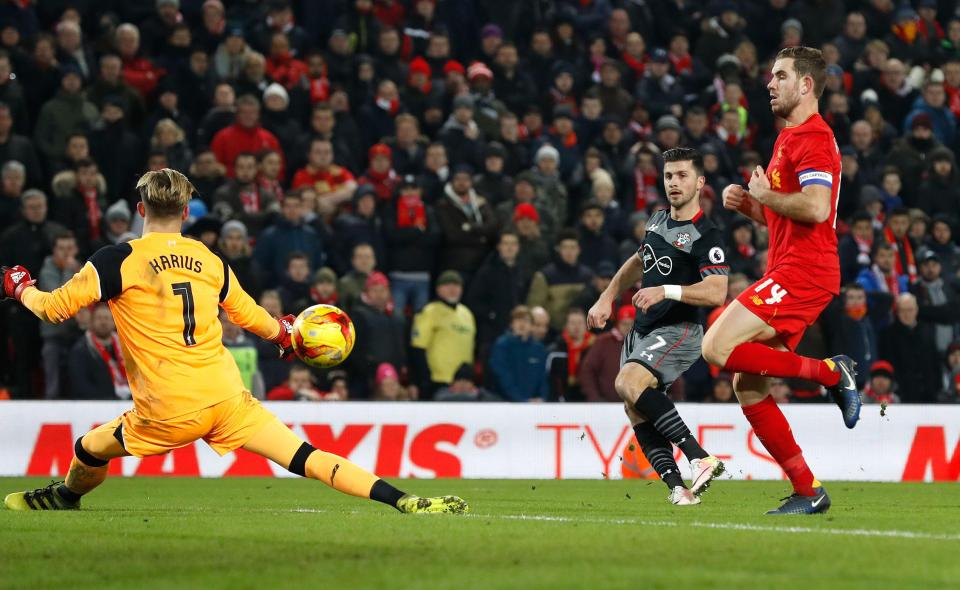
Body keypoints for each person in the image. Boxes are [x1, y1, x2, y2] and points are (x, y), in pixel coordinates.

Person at [1, 168, 466, 515]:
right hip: (227, 399)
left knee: (88, 448)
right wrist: (288, 335)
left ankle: (65, 497)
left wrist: (19, 285)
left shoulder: (116, 259)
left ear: (141, 210)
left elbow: (52, 309)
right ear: (185, 214)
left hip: (167, 410)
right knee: (305, 456)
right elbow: (254, 318)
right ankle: (404, 500)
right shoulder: (209, 259)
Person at [704, 47, 860, 515]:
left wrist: (766, 193)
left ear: (806, 84)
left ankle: (833, 372)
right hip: (791, 266)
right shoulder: (787, 138)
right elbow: (790, 219)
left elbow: (814, 206)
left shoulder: (812, 137)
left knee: (716, 347)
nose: (769, 84)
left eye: (780, 76)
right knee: (748, 386)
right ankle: (808, 490)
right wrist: (753, 206)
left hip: (804, 272)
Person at [587, 147, 729, 506]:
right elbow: (639, 261)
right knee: (634, 404)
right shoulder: (657, 220)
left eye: (682, 176)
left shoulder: (705, 234)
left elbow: (716, 291)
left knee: (627, 382)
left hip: (678, 329)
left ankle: (700, 457)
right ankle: (678, 488)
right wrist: (607, 297)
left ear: (699, 182)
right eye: (668, 176)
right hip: (643, 330)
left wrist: (665, 290)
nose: (674, 183)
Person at [411, 270, 475, 398]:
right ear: (438, 289)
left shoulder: (467, 314)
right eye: (447, 285)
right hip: (437, 380)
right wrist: (422, 380)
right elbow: (417, 348)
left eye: (456, 285)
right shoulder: (429, 312)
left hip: (463, 383)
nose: (452, 289)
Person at [487, 305, 548, 402]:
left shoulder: (538, 349)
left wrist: (542, 398)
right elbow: (503, 377)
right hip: (505, 403)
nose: (522, 324)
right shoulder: (502, 346)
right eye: (518, 320)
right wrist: (521, 400)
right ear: (512, 324)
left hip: (533, 404)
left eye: (526, 320)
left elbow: (543, 378)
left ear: (532, 326)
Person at [580, 305, 634, 403]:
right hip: (607, 407)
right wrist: (595, 398)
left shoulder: (645, 343)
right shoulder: (603, 342)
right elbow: (587, 370)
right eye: (624, 324)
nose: (628, 328)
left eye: (631, 324)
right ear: (618, 324)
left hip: (639, 408)